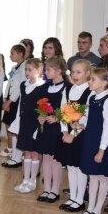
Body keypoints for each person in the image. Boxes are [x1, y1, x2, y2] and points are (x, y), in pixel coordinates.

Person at [76, 68, 108, 214]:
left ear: (105, 83)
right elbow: (87, 118)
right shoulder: (92, 97)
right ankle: (90, 208)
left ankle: (97, 210)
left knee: (101, 176)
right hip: (90, 140)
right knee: (92, 176)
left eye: (93, 79)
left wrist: (102, 150)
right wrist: (80, 125)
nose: (90, 82)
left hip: (101, 144)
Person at [56, 59, 92, 212]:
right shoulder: (68, 89)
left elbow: (85, 117)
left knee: (79, 167)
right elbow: (62, 110)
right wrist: (64, 131)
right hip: (68, 134)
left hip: (81, 135)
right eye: (72, 72)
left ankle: (79, 200)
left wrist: (73, 134)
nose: (74, 75)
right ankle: (73, 197)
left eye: (79, 72)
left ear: (88, 73)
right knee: (70, 166)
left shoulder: (89, 91)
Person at [34, 57, 70, 203]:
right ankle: (46, 188)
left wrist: (58, 117)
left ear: (59, 70)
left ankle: (55, 190)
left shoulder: (67, 87)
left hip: (58, 128)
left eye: (48, 69)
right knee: (46, 158)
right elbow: (39, 106)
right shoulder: (44, 87)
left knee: (55, 159)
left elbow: (70, 109)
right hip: (46, 127)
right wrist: (40, 116)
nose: (45, 72)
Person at [10, 58, 45, 193]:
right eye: (26, 69)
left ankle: (32, 181)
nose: (27, 72)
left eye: (30, 70)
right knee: (26, 152)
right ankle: (25, 180)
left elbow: (43, 108)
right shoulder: (23, 85)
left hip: (35, 124)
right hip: (24, 122)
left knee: (34, 153)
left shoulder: (42, 86)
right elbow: (21, 105)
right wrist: (17, 123)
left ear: (39, 70)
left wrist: (38, 127)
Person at [1, 44, 26, 168]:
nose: (10, 55)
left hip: (17, 101)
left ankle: (18, 157)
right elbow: (9, 85)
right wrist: (5, 98)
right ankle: (14, 154)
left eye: (13, 53)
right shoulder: (14, 67)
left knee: (16, 129)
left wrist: (9, 102)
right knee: (11, 127)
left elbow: (19, 88)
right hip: (10, 100)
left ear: (21, 54)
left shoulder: (24, 68)